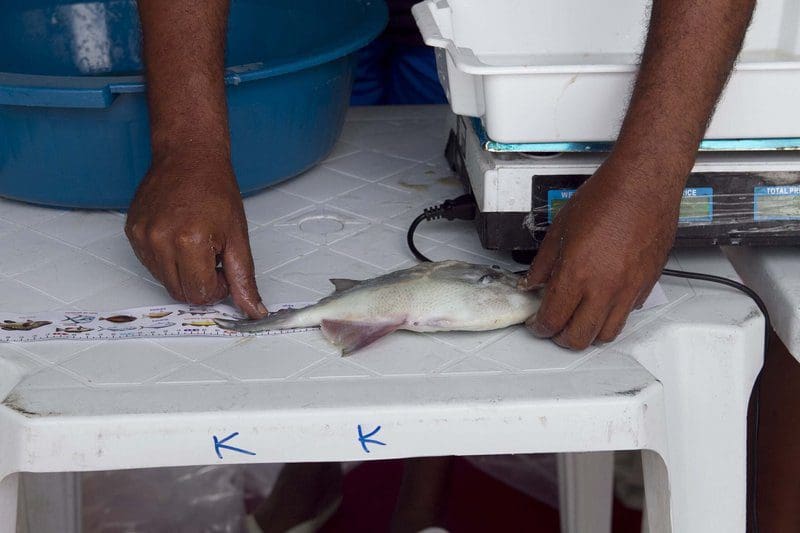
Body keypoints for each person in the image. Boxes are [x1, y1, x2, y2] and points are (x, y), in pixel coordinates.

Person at [125, 0, 761, 531]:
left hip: (496, 26)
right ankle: (310, 466)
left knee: (450, 166)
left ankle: (422, 495)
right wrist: (187, 143)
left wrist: (646, 179)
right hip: (299, 24)